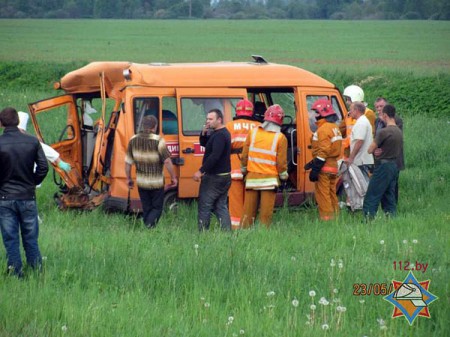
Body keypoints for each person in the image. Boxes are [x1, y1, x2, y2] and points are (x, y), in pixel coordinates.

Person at [0, 107, 49, 278]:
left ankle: (15, 273)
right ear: (18, 121)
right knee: (30, 238)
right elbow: (44, 167)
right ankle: (36, 272)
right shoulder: (32, 141)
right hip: (28, 196)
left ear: (1, 123)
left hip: (5, 198)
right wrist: (33, 182)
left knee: (10, 239)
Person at [240, 104, 288, 228]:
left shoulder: (253, 132)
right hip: (269, 181)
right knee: (265, 215)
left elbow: (244, 155)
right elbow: (281, 162)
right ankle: (263, 235)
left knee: (248, 213)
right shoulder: (280, 137)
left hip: (252, 179)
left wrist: (244, 170)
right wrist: (284, 176)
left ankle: (243, 235)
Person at [125, 115, 177, 228]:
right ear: (155, 127)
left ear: (143, 126)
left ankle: (148, 228)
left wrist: (128, 178)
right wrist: (173, 177)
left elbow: (128, 163)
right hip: (156, 182)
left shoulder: (133, 140)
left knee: (147, 207)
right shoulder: (159, 141)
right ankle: (148, 227)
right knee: (157, 207)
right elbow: (167, 161)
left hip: (141, 182)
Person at [225, 99, 262, 230]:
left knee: (235, 201)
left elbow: (225, 147)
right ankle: (249, 225)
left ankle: (236, 227)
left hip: (235, 168)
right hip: (254, 168)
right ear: (252, 112)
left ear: (237, 111)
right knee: (251, 201)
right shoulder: (259, 126)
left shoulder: (230, 126)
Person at [193, 109, 232, 231]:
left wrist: (201, 171)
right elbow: (205, 145)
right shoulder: (218, 133)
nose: (207, 121)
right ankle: (227, 232)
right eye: (207, 119)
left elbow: (215, 156)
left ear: (219, 120)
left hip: (215, 177)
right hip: (224, 176)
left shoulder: (220, 135)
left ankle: (203, 234)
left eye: (210, 119)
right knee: (220, 206)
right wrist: (203, 133)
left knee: (205, 205)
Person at [363, 104, 403, 220]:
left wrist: (375, 149)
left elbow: (370, 149)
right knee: (388, 195)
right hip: (394, 166)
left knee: (372, 194)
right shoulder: (399, 132)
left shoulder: (383, 132)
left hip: (383, 167)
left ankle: (368, 220)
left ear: (385, 115)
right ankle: (391, 218)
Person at [306, 99, 343, 221]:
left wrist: (315, 169)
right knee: (332, 193)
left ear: (323, 113)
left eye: (316, 112)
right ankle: (336, 216)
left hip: (324, 166)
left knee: (323, 195)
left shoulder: (323, 129)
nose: (314, 115)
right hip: (333, 166)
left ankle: (327, 219)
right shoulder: (334, 127)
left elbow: (323, 151)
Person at [374, 97, 405, 203]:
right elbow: (376, 138)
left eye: (381, 106)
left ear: (386, 107)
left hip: (393, 157)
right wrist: (375, 149)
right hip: (380, 158)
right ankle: (384, 206)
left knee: (393, 184)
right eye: (377, 107)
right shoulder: (377, 120)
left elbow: (394, 137)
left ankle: (393, 207)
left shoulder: (396, 120)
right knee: (381, 184)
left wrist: (385, 121)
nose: (379, 109)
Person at [342, 85, 376, 158]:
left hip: (361, 153)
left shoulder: (368, 113)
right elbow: (341, 130)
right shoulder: (348, 114)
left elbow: (368, 135)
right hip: (349, 150)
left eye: (348, 99)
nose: (347, 102)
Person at [346, 102, 374, 180]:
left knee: (363, 186)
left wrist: (351, 158)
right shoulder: (362, 121)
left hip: (362, 161)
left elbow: (359, 142)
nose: (349, 112)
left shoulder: (361, 123)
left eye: (350, 109)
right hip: (362, 161)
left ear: (356, 110)